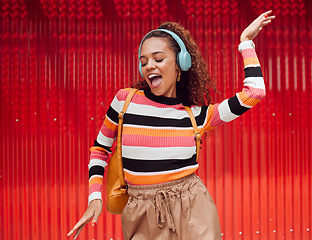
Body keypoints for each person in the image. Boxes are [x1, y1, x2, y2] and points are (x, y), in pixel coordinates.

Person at [68, 10, 275, 240]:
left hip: (192, 209)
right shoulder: (124, 102)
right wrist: (94, 197)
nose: (149, 66)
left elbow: (254, 93)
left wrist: (245, 43)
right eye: (143, 61)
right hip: (141, 213)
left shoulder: (196, 115)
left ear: (180, 64)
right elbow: (100, 150)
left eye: (158, 59)